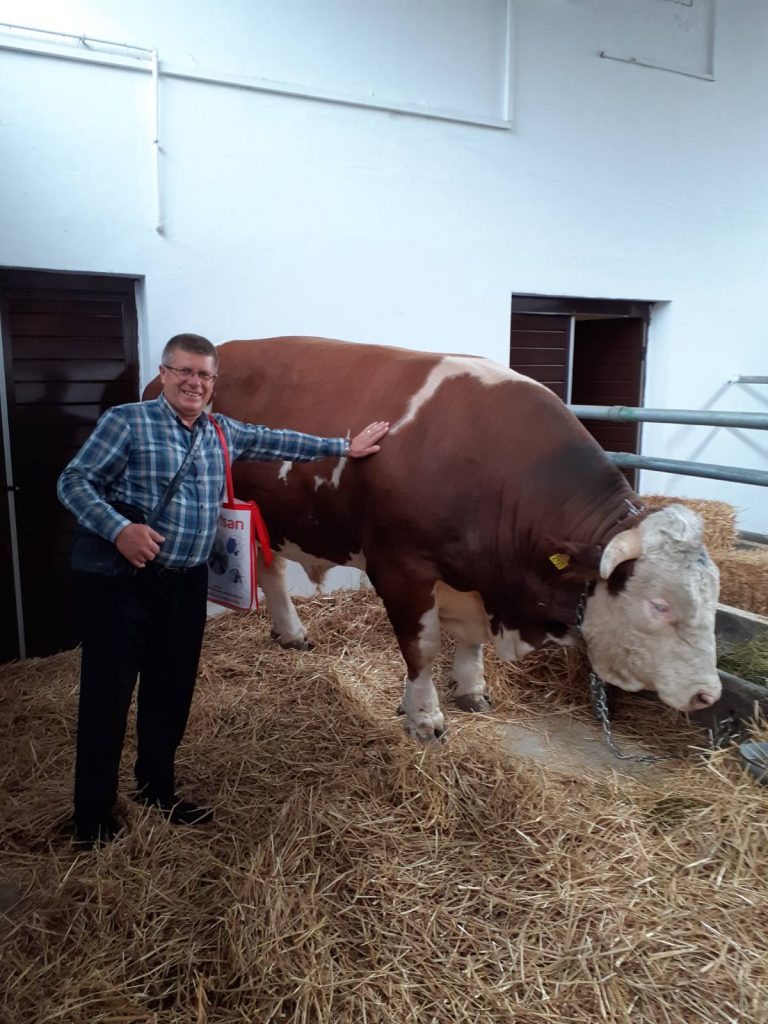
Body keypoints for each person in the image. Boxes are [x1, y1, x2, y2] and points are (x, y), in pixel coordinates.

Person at [58, 333, 389, 847]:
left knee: (171, 693)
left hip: (186, 584)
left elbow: (281, 441)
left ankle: (156, 790)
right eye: (184, 372)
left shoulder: (221, 430)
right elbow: (74, 482)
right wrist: (120, 530)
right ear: (164, 374)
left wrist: (343, 447)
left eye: (204, 375)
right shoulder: (127, 421)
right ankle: (93, 817)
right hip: (125, 584)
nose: (194, 383)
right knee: (108, 697)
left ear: (213, 383)